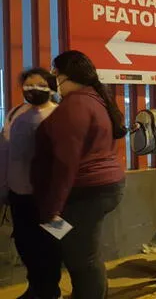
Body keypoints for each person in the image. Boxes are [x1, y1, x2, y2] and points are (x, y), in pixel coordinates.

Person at [31, 51, 127, 298]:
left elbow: (66, 162)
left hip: (86, 192)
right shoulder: (94, 98)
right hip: (100, 188)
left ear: (67, 75)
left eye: (55, 74)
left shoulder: (75, 105)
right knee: (86, 253)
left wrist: (52, 207)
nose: (54, 80)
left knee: (81, 259)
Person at [0, 69, 60, 299]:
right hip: (19, 195)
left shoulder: (59, 114)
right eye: (28, 85)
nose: (33, 89)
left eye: (40, 84)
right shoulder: (15, 113)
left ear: (51, 87)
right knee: (25, 245)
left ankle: (51, 291)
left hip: (50, 199)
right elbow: (4, 150)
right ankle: (35, 287)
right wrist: (3, 187)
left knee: (52, 246)